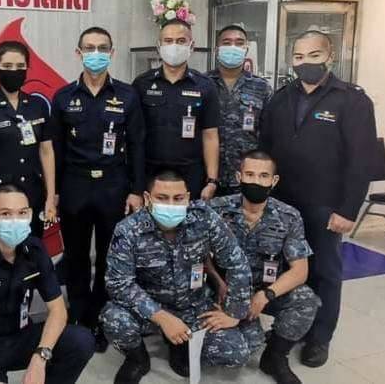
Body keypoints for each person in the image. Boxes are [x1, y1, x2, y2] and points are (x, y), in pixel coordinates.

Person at [260, 30, 377, 366]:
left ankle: (319, 337)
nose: (305, 63)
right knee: (290, 268)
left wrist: (348, 209)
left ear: (330, 56)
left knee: (324, 270)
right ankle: (293, 328)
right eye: (298, 57)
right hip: (283, 202)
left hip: (325, 204)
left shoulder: (352, 100)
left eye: (314, 55)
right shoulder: (281, 98)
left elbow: (361, 161)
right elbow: (266, 149)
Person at [101, 169, 252, 384]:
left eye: (178, 198)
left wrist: (235, 312)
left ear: (188, 198)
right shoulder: (128, 230)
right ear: (147, 198)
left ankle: (180, 344)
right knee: (113, 319)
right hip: (149, 307)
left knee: (236, 353)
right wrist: (163, 318)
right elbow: (118, 284)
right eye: (162, 198)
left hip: (194, 305)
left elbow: (236, 261)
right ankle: (137, 359)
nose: (171, 204)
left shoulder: (204, 218)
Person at [49, 26, 145, 352]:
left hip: (113, 185)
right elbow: (55, 151)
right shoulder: (63, 97)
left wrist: (136, 190)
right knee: (76, 257)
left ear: (112, 53)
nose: (96, 54)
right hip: (74, 186)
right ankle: (79, 316)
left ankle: (102, 318)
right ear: (78, 53)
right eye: (89, 48)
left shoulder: (128, 96)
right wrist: (54, 192)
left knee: (108, 258)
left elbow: (137, 146)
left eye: (102, 48)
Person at [0, 184, 95, 384]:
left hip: (22, 336)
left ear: (30, 215)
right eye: (5, 214)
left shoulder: (35, 250)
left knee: (81, 340)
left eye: (22, 213)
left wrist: (40, 357)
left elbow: (58, 310)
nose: (15, 220)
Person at [209, 150, 321, 384]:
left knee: (305, 300)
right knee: (241, 349)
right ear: (239, 177)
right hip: (225, 291)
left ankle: (275, 357)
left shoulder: (289, 216)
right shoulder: (216, 209)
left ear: (274, 180)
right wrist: (218, 283)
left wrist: (266, 295)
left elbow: (300, 271)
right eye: (249, 174)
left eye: (263, 176)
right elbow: (199, 256)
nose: (256, 181)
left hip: (264, 290)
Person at [0, 40, 56, 237]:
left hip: (32, 196)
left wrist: (50, 198)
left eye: (20, 66)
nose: (14, 71)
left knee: (31, 249)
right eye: (7, 66)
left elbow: (47, 152)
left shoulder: (38, 106)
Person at [133, 18, 221, 200]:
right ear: (159, 46)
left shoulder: (205, 86)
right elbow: (133, 137)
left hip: (191, 174)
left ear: (191, 46)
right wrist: (135, 185)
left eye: (181, 41)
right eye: (168, 41)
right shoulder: (142, 84)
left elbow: (210, 135)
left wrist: (212, 180)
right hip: (150, 172)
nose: (174, 46)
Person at [207, 25, 273, 196]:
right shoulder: (203, 83)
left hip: (246, 177)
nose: (233, 47)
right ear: (217, 49)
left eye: (239, 43)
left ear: (246, 49)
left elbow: (269, 134)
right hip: (207, 177)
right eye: (227, 43)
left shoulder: (261, 87)